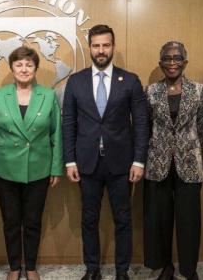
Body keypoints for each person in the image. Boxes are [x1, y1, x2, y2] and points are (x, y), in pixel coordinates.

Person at [62, 24, 149, 280]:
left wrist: (139, 161)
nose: (101, 51)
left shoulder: (130, 80)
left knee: (123, 219)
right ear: (90, 48)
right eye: (97, 45)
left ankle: (122, 271)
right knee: (89, 219)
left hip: (122, 164)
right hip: (86, 163)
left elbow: (141, 123)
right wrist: (69, 160)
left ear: (113, 46)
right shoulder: (75, 81)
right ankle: (92, 269)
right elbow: (69, 123)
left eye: (106, 45)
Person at [0, 46, 63, 280]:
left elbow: (56, 134)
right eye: (19, 64)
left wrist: (56, 167)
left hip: (39, 169)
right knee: (10, 222)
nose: (24, 69)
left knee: (33, 221)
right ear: (12, 68)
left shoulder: (48, 96)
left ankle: (31, 267)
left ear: (35, 68)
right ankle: (14, 267)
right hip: (5, 169)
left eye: (29, 65)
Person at [144, 41, 203, 280]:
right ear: (160, 63)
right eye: (167, 59)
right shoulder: (149, 91)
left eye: (177, 58)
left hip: (189, 163)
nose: (172, 63)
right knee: (159, 219)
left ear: (185, 62)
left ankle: (189, 269)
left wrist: (186, 147)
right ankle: (165, 267)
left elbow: (202, 127)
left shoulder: (200, 91)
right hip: (157, 163)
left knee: (189, 219)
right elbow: (147, 126)